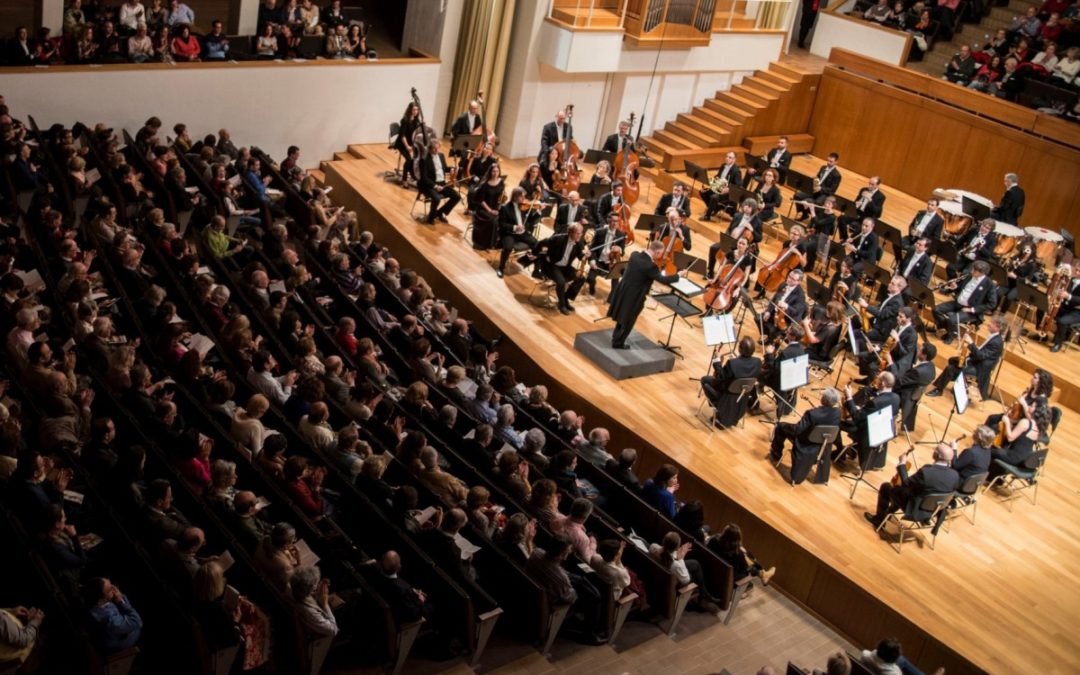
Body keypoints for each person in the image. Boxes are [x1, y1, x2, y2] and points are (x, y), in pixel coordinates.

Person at [606, 240, 686, 349]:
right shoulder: (650, 266)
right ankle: (618, 343)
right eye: (661, 254)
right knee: (628, 320)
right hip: (635, 296)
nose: (661, 256)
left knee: (621, 317)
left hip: (623, 290)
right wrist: (678, 275)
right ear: (657, 252)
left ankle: (616, 338)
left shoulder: (634, 255)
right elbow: (663, 279)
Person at [865, 444, 959, 528]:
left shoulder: (926, 472)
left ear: (937, 456)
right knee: (904, 491)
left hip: (915, 508)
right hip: (933, 510)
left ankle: (879, 520)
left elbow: (906, 483)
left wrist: (902, 464)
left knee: (886, 487)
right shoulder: (955, 475)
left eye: (935, 450)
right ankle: (890, 511)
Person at [769, 387, 842, 484]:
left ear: (824, 399)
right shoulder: (837, 412)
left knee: (781, 427)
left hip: (805, 441)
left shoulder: (812, 414)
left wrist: (784, 425)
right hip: (822, 442)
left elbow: (797, 430)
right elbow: (824, 415)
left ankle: (776, 454)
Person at [837, 371, 900, 470]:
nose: (876, 379)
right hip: (882, 432)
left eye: (878, 378)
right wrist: (863, 410)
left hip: (867, 434)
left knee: (835, 422)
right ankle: (853, 451)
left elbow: (857, 418)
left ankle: (840, 452)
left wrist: (849, 398)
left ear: (882, 384)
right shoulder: (896, 398)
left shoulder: (875, 402)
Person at [932, 261, 996, 343]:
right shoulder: (969, 275)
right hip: (958, 303)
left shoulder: (989, 285)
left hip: (970, 310)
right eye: (972, 269)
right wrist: (955, 287)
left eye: (975, 271)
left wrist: (972, 309)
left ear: (982, 273)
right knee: (936, 309)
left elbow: (992, 304)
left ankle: (950, 336)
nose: (972, 271)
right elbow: (961, 288)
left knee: (951, 320)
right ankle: (950, 330)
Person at [988, 400, 1050, 480]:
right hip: (1024, 459)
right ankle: (996, 477)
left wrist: (1007, 422)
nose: (1029, 406)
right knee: (1001, 448)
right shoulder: (1040, 426)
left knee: (989, 449)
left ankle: (987, 474)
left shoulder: (1025, 422)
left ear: (1036, 410)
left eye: (1032, 406)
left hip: (1013, 457)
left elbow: (1010, 438)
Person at [537, 223, 588, 315]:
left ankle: (565, 298)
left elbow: (581, 256)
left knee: (581, 278)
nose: (580, 235)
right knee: (561, 282)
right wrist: (535, 255)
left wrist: (585, 256)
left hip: (565, 267)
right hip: (552, 265)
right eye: (577, 233)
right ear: (570, 232)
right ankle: (562, 305)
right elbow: (541, 243)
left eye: (581, 233)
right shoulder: (558, 238)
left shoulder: (579, 242)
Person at [84, 577, 143, 654]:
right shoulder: (110, 620)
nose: (114, 589)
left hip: (113, 631)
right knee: (139, 626)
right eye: (110, 589)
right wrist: (121, 602)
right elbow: (137, 621)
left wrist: (120, 598)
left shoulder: (97, 603)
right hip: (118, 645)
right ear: (101, 598)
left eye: (112, 584)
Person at [708, 524, 775, 590]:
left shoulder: (713, 540)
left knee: (748, 554)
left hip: (710, 570)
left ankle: (763, 573)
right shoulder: (737, 554)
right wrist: (742, 553)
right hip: (725, 579)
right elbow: (744, 569)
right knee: (752, 568)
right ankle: (763, 574)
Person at [495, 187, 540, 278]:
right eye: (522, 197)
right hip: (509, 234)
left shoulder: (524, 206)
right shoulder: (505, 208)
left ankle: (526, 263)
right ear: (515, 197)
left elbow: (530, 220)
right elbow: (501, 224)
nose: (524, 199)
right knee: (508, 248)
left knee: (536, 244)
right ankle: (501, 268)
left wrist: (538, 211)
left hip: (522, 233)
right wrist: (515, 227)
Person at [895, 342, 937, 432]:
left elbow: (899, 382)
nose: (917, 351)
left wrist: (891, 367)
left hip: (905, 395)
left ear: (924, 355)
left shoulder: (918, 372)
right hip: (915, 394)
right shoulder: (932, 368)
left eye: (920, 350)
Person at [418, 140, 460, 225]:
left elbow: (444, 168)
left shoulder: (441, 155)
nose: (437, 151)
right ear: (430, 149)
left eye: (438, 148)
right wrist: (435, 186)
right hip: (429, 185)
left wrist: (451, 168)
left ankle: (439, 212)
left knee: (457, 196)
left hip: (442, 183)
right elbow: (424, 178)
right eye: (434, 149)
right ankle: (431, 217)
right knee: (436, 198)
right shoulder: (424, 160)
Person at [760, 269, 808, 343]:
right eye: (789, 277)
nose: (789, 280)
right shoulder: (783, 285)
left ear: (799, 282)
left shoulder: (800, 296)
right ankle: (767, 337)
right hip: (776, 313)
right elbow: (774, 299)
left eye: (793, 279)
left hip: (786, 320)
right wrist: (768, 311)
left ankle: (772, 342)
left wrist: (787, 306)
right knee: (759, 318)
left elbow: (796, 312)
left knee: (773, 331)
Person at [290, 566, 338, 637]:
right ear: (311, 588)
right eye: (316, 583)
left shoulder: (293, 588)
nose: (318, 585)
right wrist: (325, 604)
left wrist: (314, 594)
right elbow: (333, 630)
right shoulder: (309, 612)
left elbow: (305, 595)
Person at [858, 275, 907, 342]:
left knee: (858, 335)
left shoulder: (897, 303)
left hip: (881, 332)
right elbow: (880, 308)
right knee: (856, 320)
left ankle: (849, 347)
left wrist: (866, 306)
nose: (889, 284)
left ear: (899, 288)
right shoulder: (892, 296)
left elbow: (882, 314)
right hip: (877, 322)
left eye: (892, 284)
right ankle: (844, 344)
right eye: (890, 282)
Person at [793, 153, 842, 219]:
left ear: (836, 162)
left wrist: (821, 189)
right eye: (828, 160)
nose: (828, 162)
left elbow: (832, 190)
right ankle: (804, 214)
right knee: (797, 195)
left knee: (811, 202)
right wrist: (813, 180)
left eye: (831, 161)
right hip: (815, 190)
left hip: (824, 194)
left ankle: (814, 219)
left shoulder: (837, 175)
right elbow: (818, 178)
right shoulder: (823, 168)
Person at [859, 637, 944, 675]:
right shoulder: (895, 673)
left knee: (901, 660)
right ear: (893, 659)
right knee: (901, 660)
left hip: (876, 666)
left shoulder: (865, 655)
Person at [700, 151, 742, 221]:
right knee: (703, 192)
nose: (727, 158)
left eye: (730, 157)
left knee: (714, 197)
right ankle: (714, 208)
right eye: (727, 156)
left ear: (734, 160)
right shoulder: (723, 166)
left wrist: (728, 189)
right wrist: (712, 182)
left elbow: (738, 186)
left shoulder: (736, 171)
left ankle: (708, 215)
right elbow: (718, 176)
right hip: (719, 188)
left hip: (728, 193)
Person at [1048, 263, 1080, 353]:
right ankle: (1042, 333)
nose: (1077, 272)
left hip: (1077, 311)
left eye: (1079, 271)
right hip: (1066, 306)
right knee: (1044, 309)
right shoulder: (1071, 279)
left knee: (1062, 321)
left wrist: (1068, 296)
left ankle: (1058, 343)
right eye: (1076, 270)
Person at [395, 101, 422, 188]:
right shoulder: (405, 120)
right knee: (409, 160)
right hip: (402, 144)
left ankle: (415, 176)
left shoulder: (416, 120)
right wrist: (407, 147)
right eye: (414, 109)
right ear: (410, 110)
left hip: (411, 143)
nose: (416, 111)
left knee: (418, 157)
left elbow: (416, 133)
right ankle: (404, 179)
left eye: (417, 110)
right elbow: (402, 136)